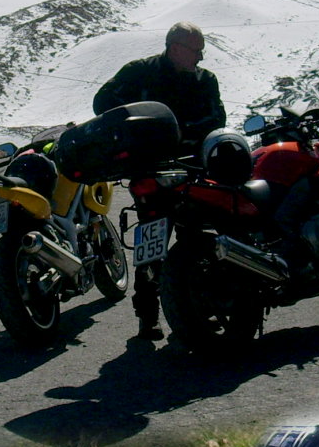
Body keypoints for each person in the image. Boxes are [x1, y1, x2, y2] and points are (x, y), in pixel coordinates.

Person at [93, 22, 224, 341]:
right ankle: (147, 317)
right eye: (196, 50)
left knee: (201, 238)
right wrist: (133, 130)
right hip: (151, 170)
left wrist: (190, 132)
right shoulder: (139, 72)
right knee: (152, 242)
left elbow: (218, 118)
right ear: (175, 46)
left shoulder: (205, 80)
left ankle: (202, 306)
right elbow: (102, 104)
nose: (200, 57)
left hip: (195, 168)